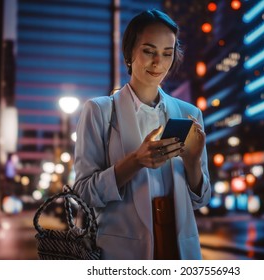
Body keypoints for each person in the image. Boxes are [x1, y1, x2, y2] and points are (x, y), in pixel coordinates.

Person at [73, 9, 211, 260]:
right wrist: (136, 161)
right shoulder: (100, 110)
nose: (158, 62)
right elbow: (83, 192)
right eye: (149, 51)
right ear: (129, 53)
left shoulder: (189, 113)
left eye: (167, 54)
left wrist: (192, 163)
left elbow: (201, 200)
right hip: (122, 251)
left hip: (179, 247)